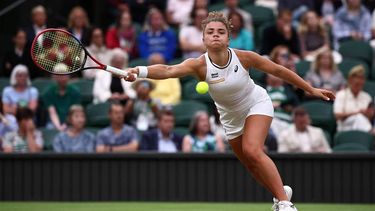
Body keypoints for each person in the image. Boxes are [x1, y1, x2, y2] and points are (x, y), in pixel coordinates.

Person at [125, 12, 335, 210]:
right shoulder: (199, 65)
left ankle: (284, 203)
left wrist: (310, 89)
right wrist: (140, 72)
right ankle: (280, 193)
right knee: (252, 165)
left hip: (256, 103)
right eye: (210, 32)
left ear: (228, 38)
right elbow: (169, 70)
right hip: (230, 117)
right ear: (203, 39)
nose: (215, 34)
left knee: (253, 150)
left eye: (220, 31)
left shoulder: (244, 57)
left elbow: (278, 70)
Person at [333, 65, 372, 132]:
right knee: (358, 117)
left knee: (360, 119)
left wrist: (368, 114)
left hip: (362, 127)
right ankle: (372, 132)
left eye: (361, 81)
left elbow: (369, 118)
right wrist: (357, 113)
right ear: (350, 80)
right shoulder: (341, 94)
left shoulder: (367, 97)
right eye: (356, 83)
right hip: (345, 127)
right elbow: (337, 115)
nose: (359, 83)